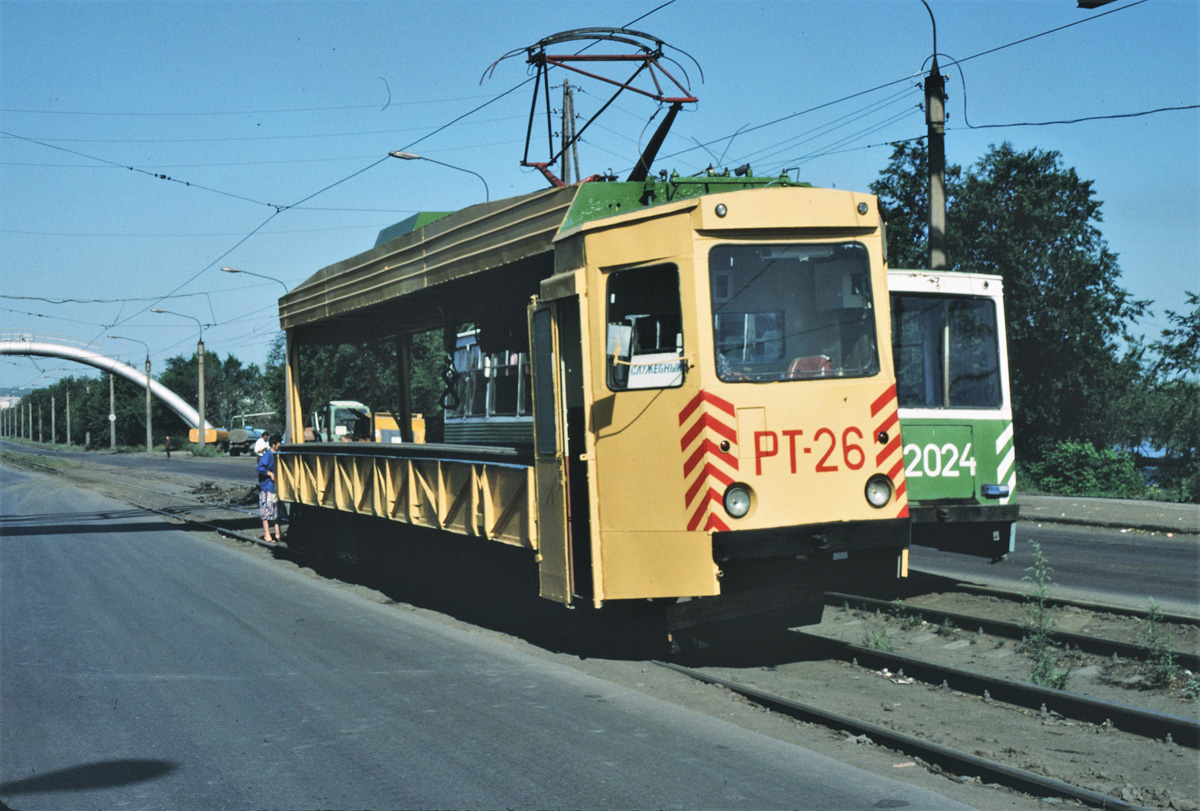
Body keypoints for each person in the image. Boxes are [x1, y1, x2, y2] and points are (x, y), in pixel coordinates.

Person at [256, 434, 283, 544]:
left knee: (276, 511)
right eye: (278, 444)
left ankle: (277, 533)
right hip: (267, 487)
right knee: (266, 511)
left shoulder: (277, 454)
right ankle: (267, 534)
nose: (280, 446)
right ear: (274, 445)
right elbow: (260, 467)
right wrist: (270, 473)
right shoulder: (268, 455)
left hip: (274, 487)